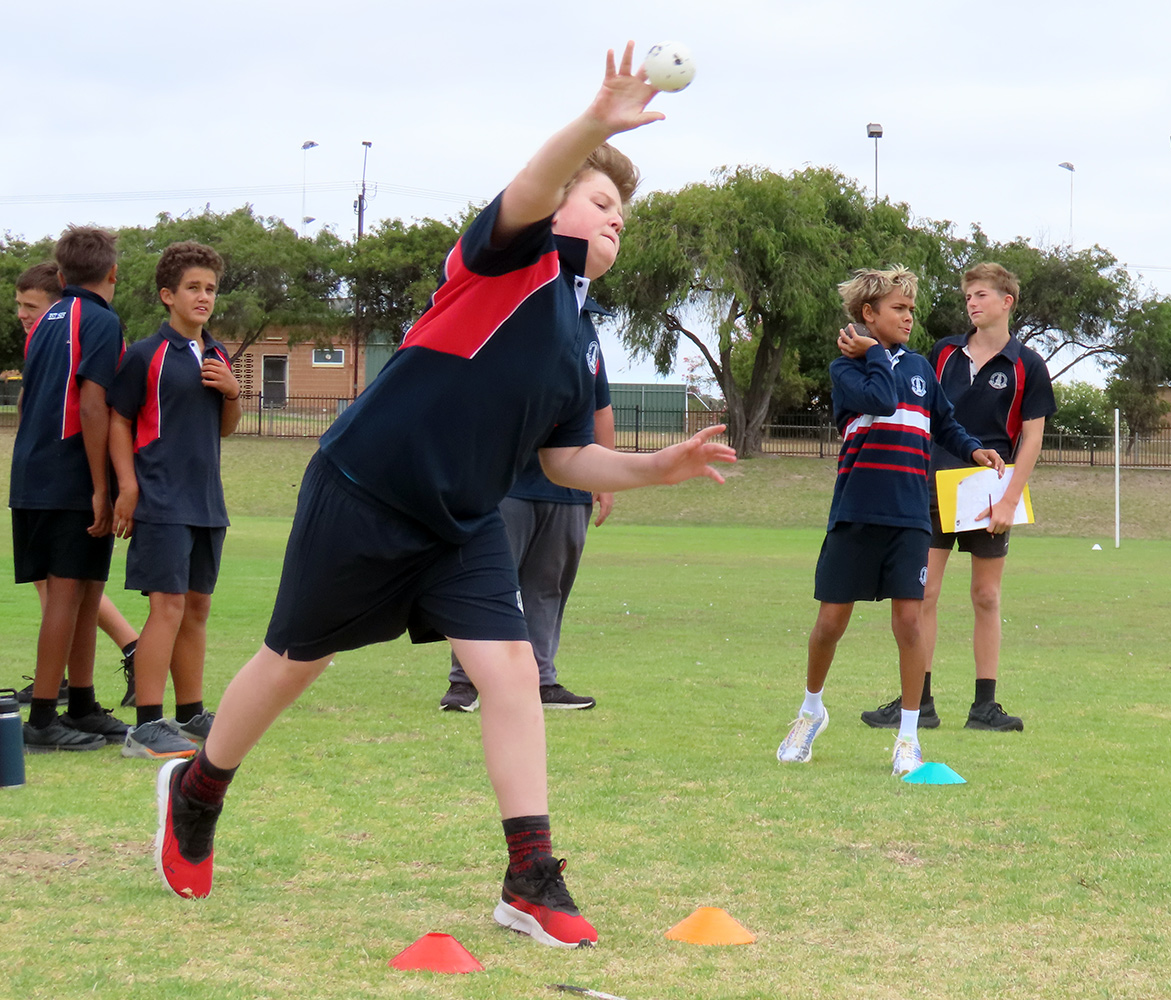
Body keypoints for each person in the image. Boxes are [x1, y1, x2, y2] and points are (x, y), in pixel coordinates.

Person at [151, 43, 735, 951]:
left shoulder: (578, 337)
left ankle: (529, 877)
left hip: (462, 522)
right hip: (364, 488)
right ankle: (199, 789)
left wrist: (655, 467)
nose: (616, 218)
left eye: (624, 212)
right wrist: (594, 123)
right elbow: (534, 182)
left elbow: (566, 459)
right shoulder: (510, 259)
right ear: (559, 206)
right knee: (296, 661)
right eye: (600, 200)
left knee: (511, 672)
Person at [776, 266, 1000, 776]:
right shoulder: (846, 368)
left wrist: (974, 449)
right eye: (899, 308)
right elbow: (881, 398)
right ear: (868, 313)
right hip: (855, 513)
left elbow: (944, 422)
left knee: (909, 623)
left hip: (909, 518)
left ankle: (908, 737)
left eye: (911, 309)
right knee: (829, 624)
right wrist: (873, 352)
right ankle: (811, 712)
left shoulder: (920, 367)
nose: (908, 317)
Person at [860, 263, 1055, 734]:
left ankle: (985, 707)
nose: (972, 303)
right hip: (931, 485)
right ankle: (919, 703)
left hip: (990, 491)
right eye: (968, 296)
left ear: (1006, 301)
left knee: (986, 596)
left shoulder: (1028, 365)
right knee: (923, 592)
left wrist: (1009, 501)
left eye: (981, 294)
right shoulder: (944, 352)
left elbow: (1032, 439)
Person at [441, 301, 614, 713]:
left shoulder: (585, 330)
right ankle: (465, 683)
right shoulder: (513, 314)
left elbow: (600, 406)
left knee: (547, 589)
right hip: (506, 483)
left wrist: (605, 480)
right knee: (486, 583)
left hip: (569, 489)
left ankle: (541, 681)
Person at [108, 242, 240, 759]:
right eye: (193, 288)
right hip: (161, 500)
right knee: (167, 607)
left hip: (207, 502)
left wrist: (232, 391)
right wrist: (128, 487)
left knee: (197, 608)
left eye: (210, 288)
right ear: (168, 295)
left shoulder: (217, 354)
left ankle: (190, 714)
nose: (203, 297)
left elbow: (225, 428)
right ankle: (145, 726)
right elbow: (119, 421)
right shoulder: (146, 355)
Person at [9, 228, 130, 751]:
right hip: (70, 477)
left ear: (60, 276)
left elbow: (29, 401)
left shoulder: (46, 322)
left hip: (33, 474)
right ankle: (41, 719)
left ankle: (81, 704)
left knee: (86, 591)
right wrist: (102, 487)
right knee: (65, 593)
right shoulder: (100, 321)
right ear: (113, 273)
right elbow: (92, 403)